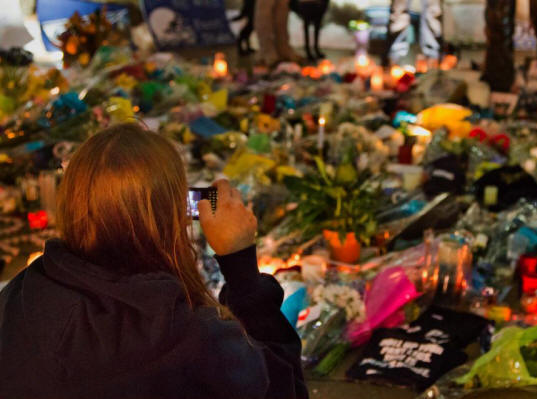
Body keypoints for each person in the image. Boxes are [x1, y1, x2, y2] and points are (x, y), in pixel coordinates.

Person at [0, 123, 308, 399]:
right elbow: (285, 387)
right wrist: (241, 266)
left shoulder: (21, 293)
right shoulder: (183, 335)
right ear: (172, 217)